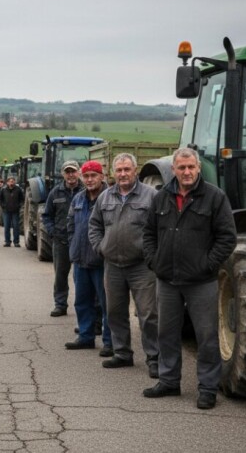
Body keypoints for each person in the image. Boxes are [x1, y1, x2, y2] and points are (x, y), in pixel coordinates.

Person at [142, 147, 236, 410]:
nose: (186, 172)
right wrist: (154, 261)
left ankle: (207, 388)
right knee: (167, 333)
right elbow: (148, 234)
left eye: (191, 167)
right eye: (181, 167)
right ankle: (169, 381)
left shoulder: (214, 198)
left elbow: (227, 237)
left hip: (201, 282)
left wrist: (207, 265)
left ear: (198, 168)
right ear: (174, 169)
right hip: (168, 280)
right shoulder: (161, 198)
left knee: (206, 336)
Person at [88, 153, 159, 377]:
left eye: (127, 169)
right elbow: (94, 225)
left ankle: (155, 358)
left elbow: (161, 228)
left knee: (148, 314)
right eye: (119, 170)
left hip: (141, 267)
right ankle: (122, 353)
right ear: (113, 173)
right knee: (115, 311)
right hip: (113, 266)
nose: (122, 174)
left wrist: (152, 255)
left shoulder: (151, 196)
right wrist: (101, 248)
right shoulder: (105, 197)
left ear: (135, 171)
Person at [64, 160, 111, 355]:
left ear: (102, 177)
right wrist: (73, 245)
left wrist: (104, 250)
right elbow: (70, 225)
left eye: (94, 175)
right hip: (80, 260)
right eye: (87, 176)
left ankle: (110, 342)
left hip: (101, 261)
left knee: (107, 303)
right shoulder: (78, 199)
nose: (90, 179)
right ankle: (85, 336)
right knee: (82, 301)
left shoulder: (110, 198)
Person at [41, 160, 84, 317]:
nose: (71, 175)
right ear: (63, 174)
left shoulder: (86, 191)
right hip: (61, 241)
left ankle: (84, 307)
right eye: (68, 172)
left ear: (79, 172)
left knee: (82, 277)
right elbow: (46, 216)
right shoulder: (55, 192)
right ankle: (60, 304)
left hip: (82, 242)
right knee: (60, 274)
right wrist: (53, 232)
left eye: (73, 171)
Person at [0, 175, 25, 247]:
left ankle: (16, 242)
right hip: (6, 211)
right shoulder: (3, 190)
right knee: (7, 227)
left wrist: (19, 206)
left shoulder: (18, 189)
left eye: (13, 181)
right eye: (10, 181)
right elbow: (0, 200)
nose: (11, 183)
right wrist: (3, 206)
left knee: (16, 227)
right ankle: (7, 242)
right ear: (7, 182)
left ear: (15, 182)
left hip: (15, 211)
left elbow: (22, 199)